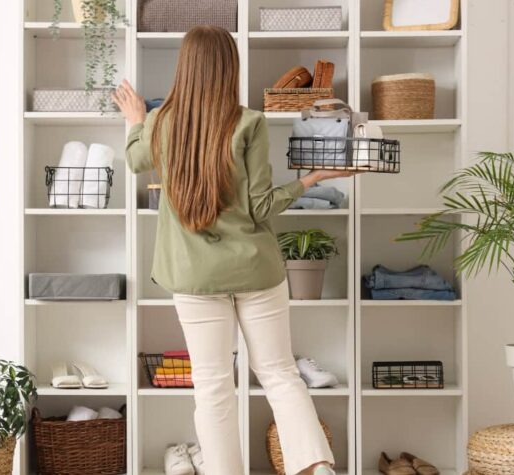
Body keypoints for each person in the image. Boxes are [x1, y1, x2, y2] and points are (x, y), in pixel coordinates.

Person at [113, 25, 351, 475]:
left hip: (194, 277)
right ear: (230, 68)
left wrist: (135, 119)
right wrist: (309, 180)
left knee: (212, 385)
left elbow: (135, 160)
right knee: (280, 373)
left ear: (185, 68)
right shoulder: (249, 122)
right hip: (256, 270)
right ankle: (317, 469)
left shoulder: (161, 123)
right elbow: (261, 207)